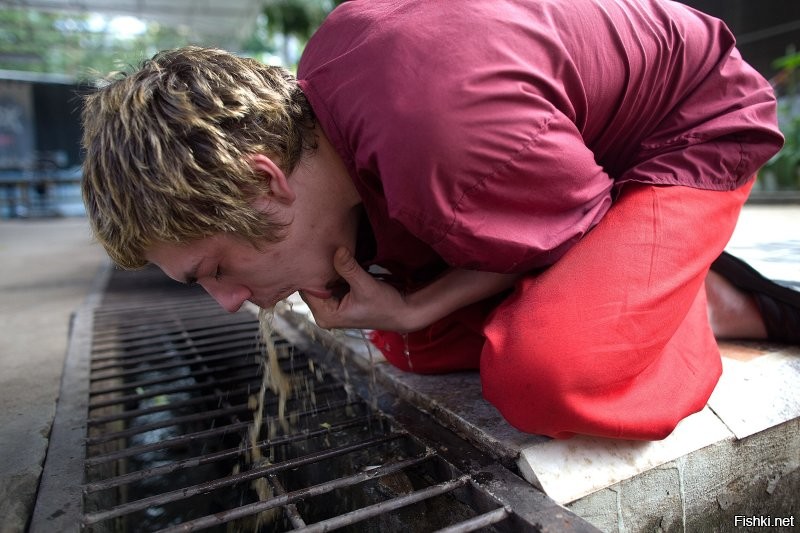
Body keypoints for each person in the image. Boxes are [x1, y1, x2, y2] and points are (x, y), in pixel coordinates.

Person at [81, 0, 797, 441]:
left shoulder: (438, 143)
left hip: (685, 132)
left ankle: (708, 296)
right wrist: (410, 314)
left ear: (266, 181)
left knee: (545, 374)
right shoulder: (333, 112)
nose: (229, 300)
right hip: (545, 161)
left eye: (216, 269)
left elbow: (580, 216)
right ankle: (635, 283)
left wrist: (424, 300)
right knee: (402, 342)